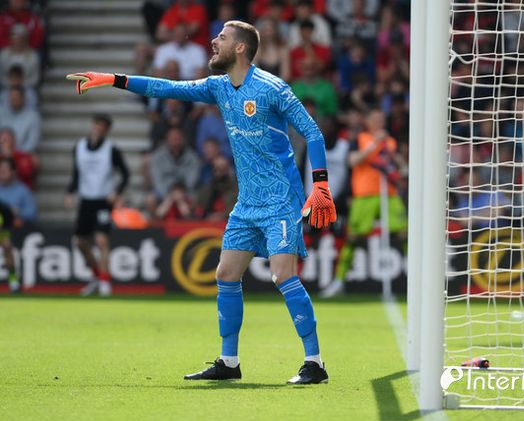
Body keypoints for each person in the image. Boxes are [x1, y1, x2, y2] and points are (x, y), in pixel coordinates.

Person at [67, 19, 337, 385]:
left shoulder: (272, 88)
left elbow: (313, 132)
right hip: (247, 203)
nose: (213, 41)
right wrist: (114, 79)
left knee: (283, 275)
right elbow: (166, 88)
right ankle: (229, 362)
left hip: (280, 200)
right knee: (226, 274)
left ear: (240, 47)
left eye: (222, 37)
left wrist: (320, 184)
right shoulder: (218, 87)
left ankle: (315, 363)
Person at [323, 109, 407, 298]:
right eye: (375, 119)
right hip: (365, 194)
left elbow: (400, 167)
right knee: (353, 237)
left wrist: (391, 153)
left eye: (381, 119)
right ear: (367, 122)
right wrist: (374, 144)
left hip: (389, 193)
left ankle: (415, 280)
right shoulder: (360, 139)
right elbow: (352, 161)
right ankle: (339, 280)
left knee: (404, 233)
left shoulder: (390, 142)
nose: (379, 122)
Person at [64, 114, 130, 297]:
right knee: (80, 242)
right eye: (97, 125)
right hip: (86, 200)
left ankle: (105, 281)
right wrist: (70, 192)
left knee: (102, 240)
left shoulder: (111, 150)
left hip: (103, 201)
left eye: (103, 127)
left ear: (107, 130)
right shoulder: (79, 148)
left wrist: (117, 193)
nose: (99, 129)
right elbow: (77, 173)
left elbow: (125, 174)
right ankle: (96, 275)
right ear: (92, 126)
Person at [0, 156, 36, 293]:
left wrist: (17, 214)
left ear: (13, 172)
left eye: (5, 169)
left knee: (7, 245)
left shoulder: (22, 191)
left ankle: (13, 280)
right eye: (0, 169)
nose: (2, 172)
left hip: (11, 229)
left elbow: (31, 212)